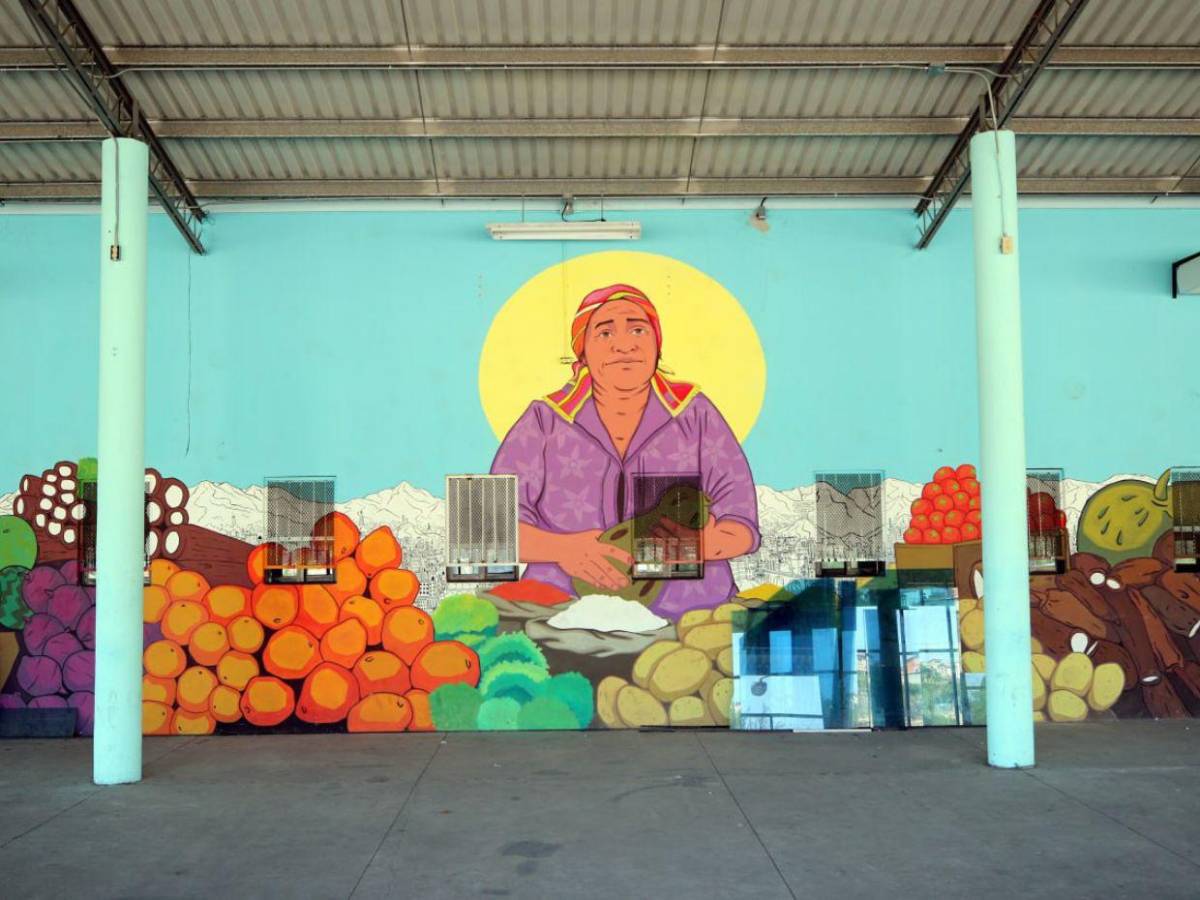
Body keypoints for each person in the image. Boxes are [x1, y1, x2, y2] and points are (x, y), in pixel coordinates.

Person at [490, 283, 760, 618]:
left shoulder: (696, 413)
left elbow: (743, 524)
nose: (624, 345)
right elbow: (484, 533)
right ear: (582, 351)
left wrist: (701, 546)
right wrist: (562, 548)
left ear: (657, 344)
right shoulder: (543, 420)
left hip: (687, 617)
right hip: (560, 615)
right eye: (604, 333)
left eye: (637, 329)